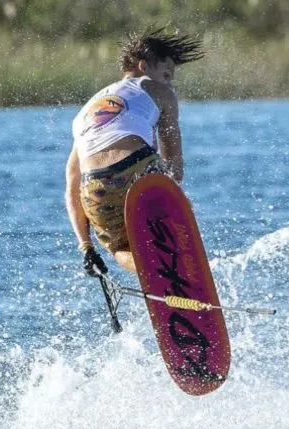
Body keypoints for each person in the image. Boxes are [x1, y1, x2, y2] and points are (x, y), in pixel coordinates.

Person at [65, 27, 204, 277]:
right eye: (166, 74)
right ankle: (186, 269)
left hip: (94, 185)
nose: (168, 81)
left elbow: (72, 184)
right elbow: (175, 170)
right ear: (144, 66)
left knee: (119, 248)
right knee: (177, 200)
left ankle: (157, 272)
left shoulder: (84, 112)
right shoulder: (158, 90)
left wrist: (86, 247)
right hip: (139, 165)